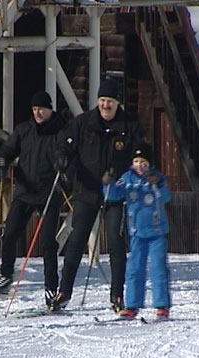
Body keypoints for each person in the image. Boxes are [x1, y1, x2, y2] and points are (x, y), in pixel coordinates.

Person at [53, 78, 146, 312]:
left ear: (117, 103)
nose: (106, 105)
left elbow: (142, 155)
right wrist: (63, 160)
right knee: (75, 242)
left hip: (115, 194)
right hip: (87, 190)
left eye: (110, 102)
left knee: (115, 242)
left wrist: (123, 168)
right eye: (103, 101)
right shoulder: (83, 123)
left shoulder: (129, 126)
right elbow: (63, 144)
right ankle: (64, 292)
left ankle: (117, 295)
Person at [0, 91, 64, 309]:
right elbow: (8, 148)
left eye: (41, 109)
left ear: (50, 109)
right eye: (34, 109)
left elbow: (67, 150)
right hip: (25, 192)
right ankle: (5, 275)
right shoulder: (24, 130)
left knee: (47, 243)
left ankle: (51, 288)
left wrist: (64, 160)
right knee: (10, 232)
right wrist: (2, 160)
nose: (38, 113)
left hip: (49, 193)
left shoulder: (60, 130)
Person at [110, 146, 172, 320]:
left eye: (143, 162)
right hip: (137, 233)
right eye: (136, 162)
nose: (139, 166)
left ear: (149, 164)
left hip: (157, 232)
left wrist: (158, 183)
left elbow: (166, 197)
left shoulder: (156, 178)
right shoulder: (127, 178)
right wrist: (108, 182)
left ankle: (162, 305)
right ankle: (132, 305)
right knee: (134, 269)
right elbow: (113, 195)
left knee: (158, 268)